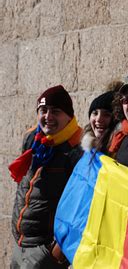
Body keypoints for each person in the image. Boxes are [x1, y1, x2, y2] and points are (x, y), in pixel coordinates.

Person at [10, 85, 83, 268]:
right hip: (20, 245)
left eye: (56, 112)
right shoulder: (33, 139)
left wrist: (55, 254)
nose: (48, 117)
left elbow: (81, 210)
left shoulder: (78, 150)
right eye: (43, 110)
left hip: (44, 252)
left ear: (69, 116)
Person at [81, 83, 121, 154]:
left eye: (106, 114)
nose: (98, 119)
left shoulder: (122, 152)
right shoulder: (83, 151)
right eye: (95, 113)